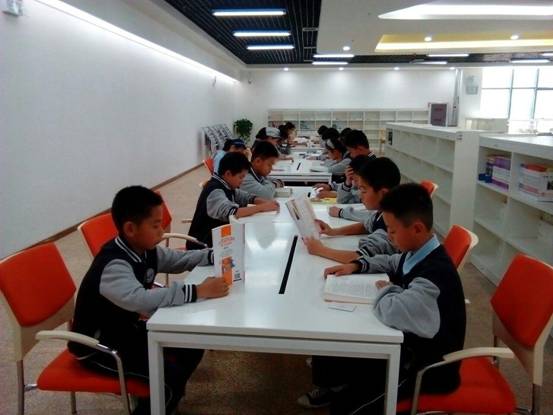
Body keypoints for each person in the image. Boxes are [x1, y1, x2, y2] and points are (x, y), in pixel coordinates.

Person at [300, 183, 466, 414]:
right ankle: (333, 385)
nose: (389, 236)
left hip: (424, 369)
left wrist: (388, 289)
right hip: (405, 346)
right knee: (341, 348)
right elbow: (391, 262)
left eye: (392, 231)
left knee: (348, 407)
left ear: (417, 229)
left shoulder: (435, 275)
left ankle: (341, 395)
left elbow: (392, 310)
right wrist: (357, 265)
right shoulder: (418, 251)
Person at [69, 186, 230, 415]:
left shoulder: (145, 249)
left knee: (191, 343)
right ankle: (164, 398)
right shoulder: (114, 265)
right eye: (155, 225)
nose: (162, 232)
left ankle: (164, 403)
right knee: (168, 382)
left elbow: (179, 259)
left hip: (125, 330)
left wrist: (214, 255)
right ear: (130, 229)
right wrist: (197, 290)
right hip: (99, 347)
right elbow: (142, 301)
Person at [303, 157, 400, 264]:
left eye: (363, 190)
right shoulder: (385, 211)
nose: (360, 195)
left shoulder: (392, 226)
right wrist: (333, 231)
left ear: (383, 193)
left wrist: (320, 250)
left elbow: (359, 257)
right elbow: (366, 225)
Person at [187, 152, 279, 249]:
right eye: (240, 177)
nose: (242, 181)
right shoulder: (215, 191)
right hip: (204, 247)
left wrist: (265, 202)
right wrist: (262, 207)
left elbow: (246, 197)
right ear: (228, 174)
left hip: (221, 240)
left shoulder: (227, 185)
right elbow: (233, 213)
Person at [314, 130, 375, 195]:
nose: (351, 155)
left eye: (351, 152)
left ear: (360, 148)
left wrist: (334, 194)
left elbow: (361, 194)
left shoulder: (372, 166)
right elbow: (351, 184)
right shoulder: (362, 161)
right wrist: (331, 187)